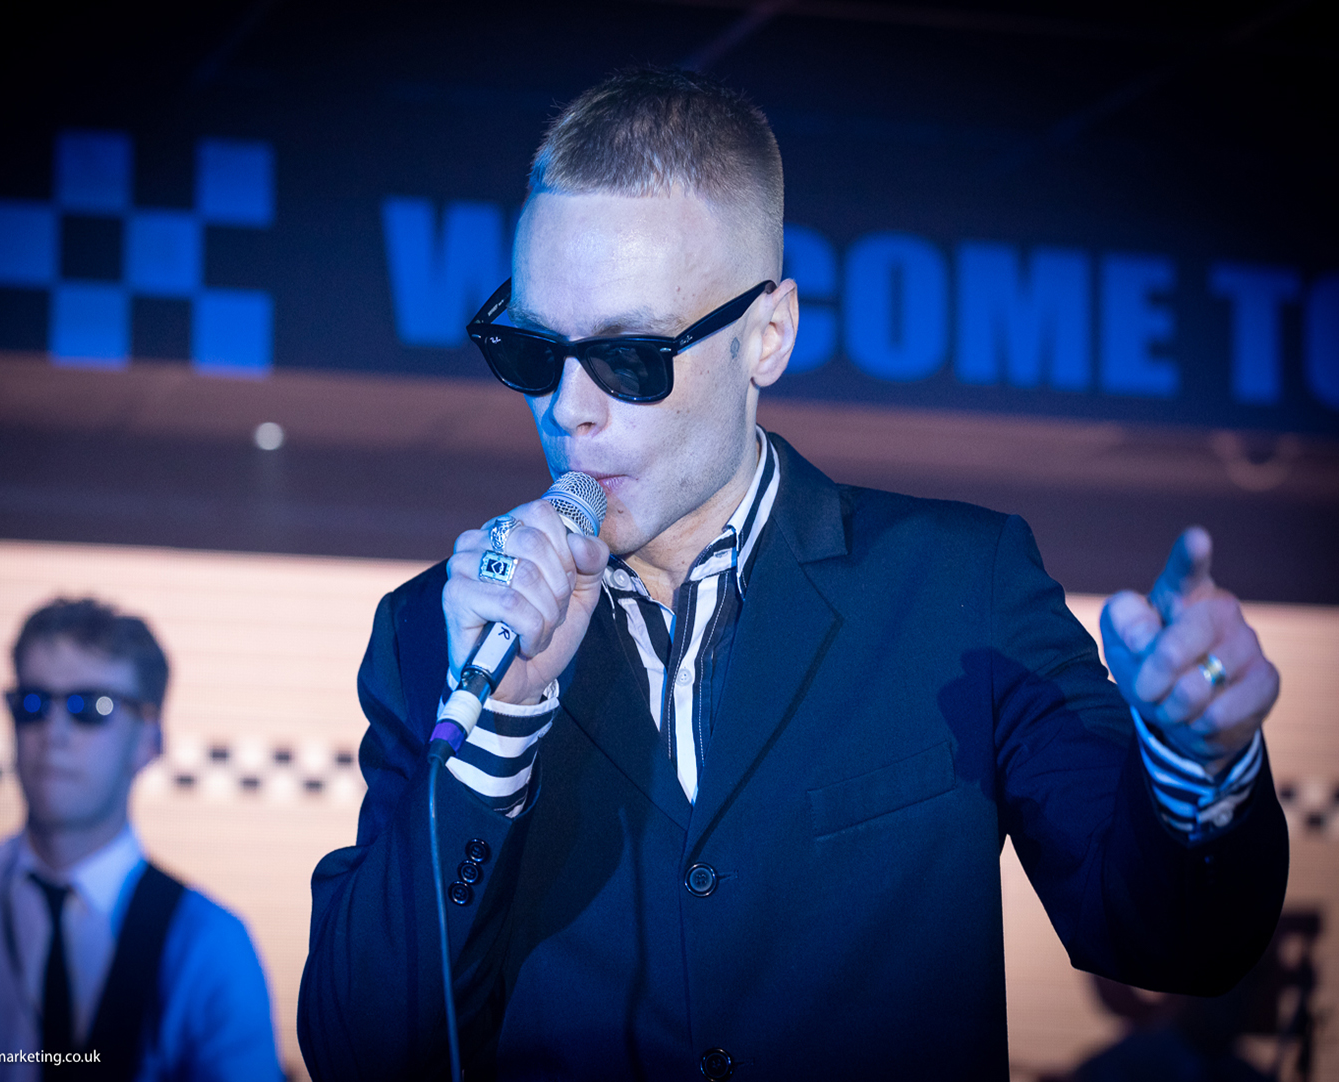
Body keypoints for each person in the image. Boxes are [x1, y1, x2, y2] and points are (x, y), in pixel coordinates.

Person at [297, 68, 1287, 1080]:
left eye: (631, 359)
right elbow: (361, 1049)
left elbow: (1172, 938)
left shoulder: (958, 587)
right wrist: (497, 727)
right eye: (532, 351)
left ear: (767, 335)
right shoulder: (440, 631)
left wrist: (1195, 763)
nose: (568, 408)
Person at [0, 598, 283, 1081]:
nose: (52, 733)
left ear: (149, 741)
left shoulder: (209, 943)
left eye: (91, 707)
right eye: (32, 704)